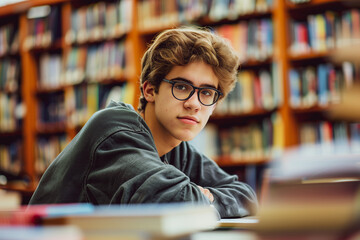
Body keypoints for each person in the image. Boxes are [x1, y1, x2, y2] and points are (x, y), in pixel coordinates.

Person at [29, 26, 258, 218]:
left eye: (207, 93)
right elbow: (176, 201)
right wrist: (199, 197)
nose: (194, 103)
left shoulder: (178, 149)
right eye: (181, 87)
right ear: (149, 90)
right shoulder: (115, 131)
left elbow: (246, 197)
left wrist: (208, 198)